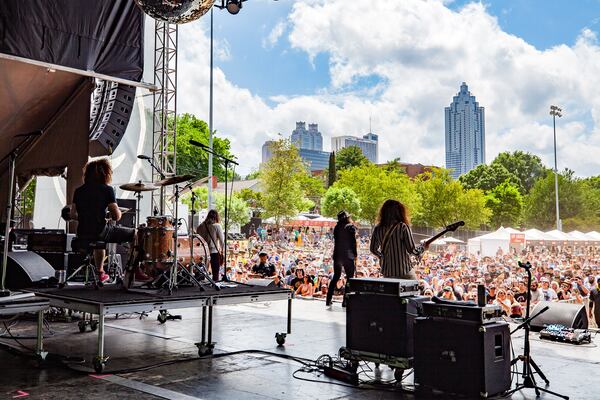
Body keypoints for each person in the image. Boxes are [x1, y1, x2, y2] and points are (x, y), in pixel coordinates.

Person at [69, 158, 141, 284]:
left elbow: (73, 214)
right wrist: (115, 213)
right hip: (100, 230)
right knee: (135, 234)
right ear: (106, 174)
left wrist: (87, 217)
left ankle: (100, 272)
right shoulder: (107, 189)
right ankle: (133, 270)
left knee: (99, 243)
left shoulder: (79, 191)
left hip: (82, 232)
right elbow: (116, 216)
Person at [370, 199, 428, 279]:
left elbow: (373, 249)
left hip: (387, 272)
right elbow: (412, 250)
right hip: (404, 271)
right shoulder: (402, 227)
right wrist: (423, 248)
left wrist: (382, 257)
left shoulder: (378, 228)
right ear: (400, 212)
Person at [326, 211, 357, 307]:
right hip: (348, 256)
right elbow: (353, 242)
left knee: (336, 276)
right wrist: (355, 254)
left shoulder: (336, 228)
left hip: (338, 255)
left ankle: (328, 299)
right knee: (349, 278)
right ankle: (345, 301)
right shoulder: (350, 227)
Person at [197, 210, 225, 281]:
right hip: (213, 251)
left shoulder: (200, 226)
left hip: (202, 252)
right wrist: (223, 252)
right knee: (215, 273)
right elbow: (222, 241)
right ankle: (215, 285)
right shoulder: (217, 226)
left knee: (202, 272)